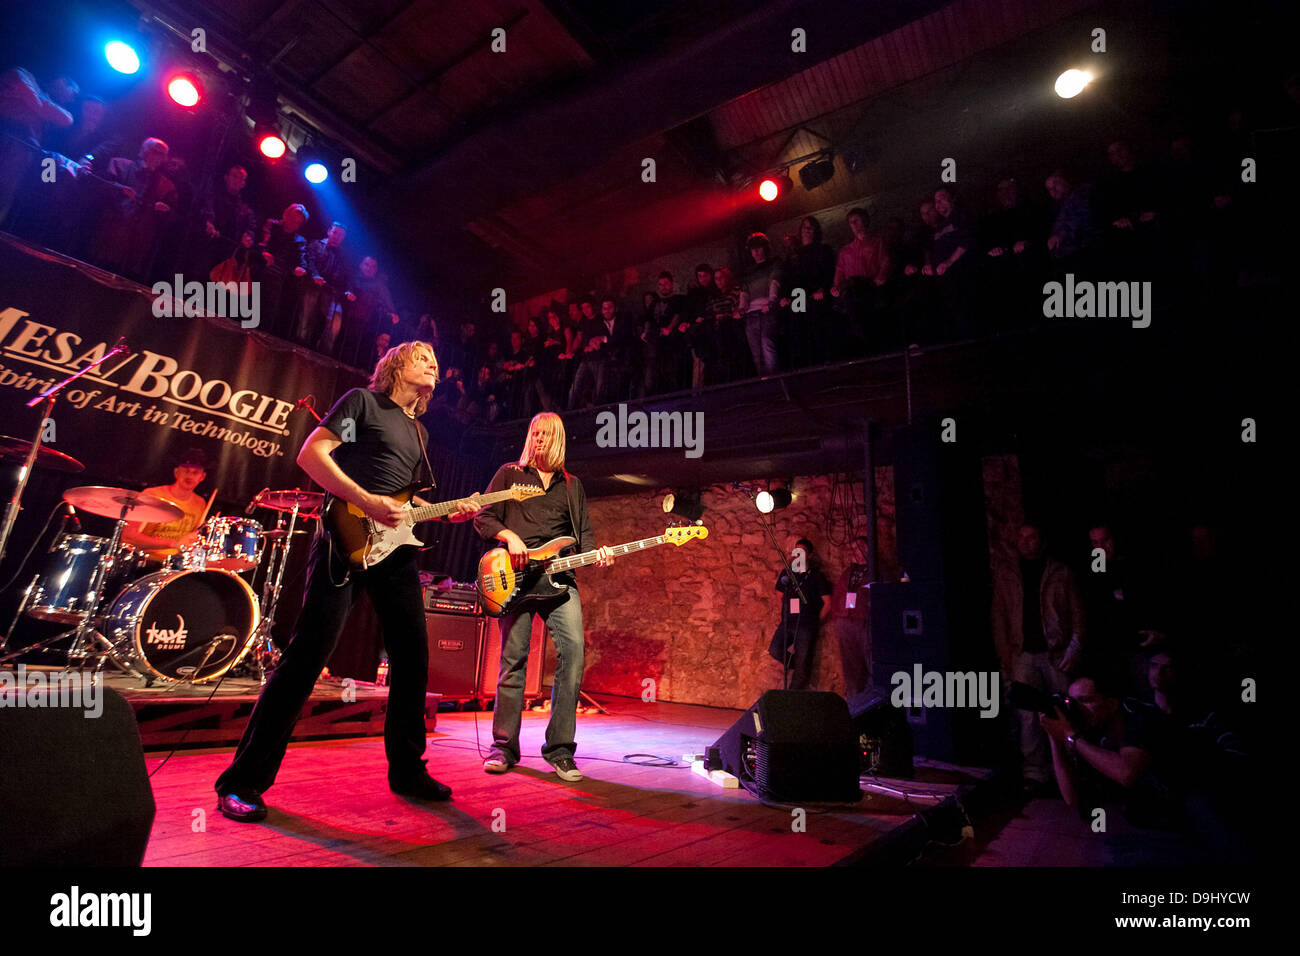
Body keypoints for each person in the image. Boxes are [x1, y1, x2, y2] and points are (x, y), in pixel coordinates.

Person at [214, 341, 480, 821]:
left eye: (438, 362)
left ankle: (407, 771)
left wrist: (449, 514)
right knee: (307, 657)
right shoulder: (362, 402)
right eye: (424, 358)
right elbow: (311, 456)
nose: (435, 366)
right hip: (345, 538)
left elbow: (408, 507)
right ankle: (243, 781)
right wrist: (368, 500)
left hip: (394, 552)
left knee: (413, 657)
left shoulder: (418, 431)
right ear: (397, 365)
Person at [473, 412, 613, 781]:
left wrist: (599, 555)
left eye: (546, 435)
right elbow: (483, 518)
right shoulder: (509, 474)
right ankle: (503, 748)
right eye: (534, 434)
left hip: (559, 580)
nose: (538, 440)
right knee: (512, 662)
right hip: (514, 580)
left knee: (574, 656)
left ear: (558, 440)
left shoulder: (572, 485)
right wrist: (509, 536)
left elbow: (583, 536)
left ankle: (560, 750)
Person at [991, 522, 1085, 796]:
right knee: (1028, 716)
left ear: (1041, 541)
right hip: (1023, 654)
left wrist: (1073, 650)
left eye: (1031, 537)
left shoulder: (1061, 572)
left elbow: (1078, 616)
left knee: (1064, 711)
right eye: (1021, 537)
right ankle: (1035, 773)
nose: (1026, 542)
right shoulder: (1008, 574)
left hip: (1056, 653)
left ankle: (1072, 768)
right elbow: (998, 616)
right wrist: (1005, 654)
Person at [121, 447, 211, 563]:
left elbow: (191, 539)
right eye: (186, 470)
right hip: (144, 560)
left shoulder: (200, 504)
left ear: (202, 477)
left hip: (175, 564)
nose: (189, 476)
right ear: (176, 472)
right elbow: (128, 536)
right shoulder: (152, 495)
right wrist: (173, 544)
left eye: (195, 472)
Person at [767, 538, 832, 690]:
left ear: (809, 554)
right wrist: (783, 614)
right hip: (788, 622)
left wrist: (816, 622)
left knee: (802, 664)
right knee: (775, 649)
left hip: (806, 625)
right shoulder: (787, 573)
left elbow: (828, 602)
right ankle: (801, 666)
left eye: (802, 551)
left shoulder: (816, 576)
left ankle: (792, 695)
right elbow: (778, 594)